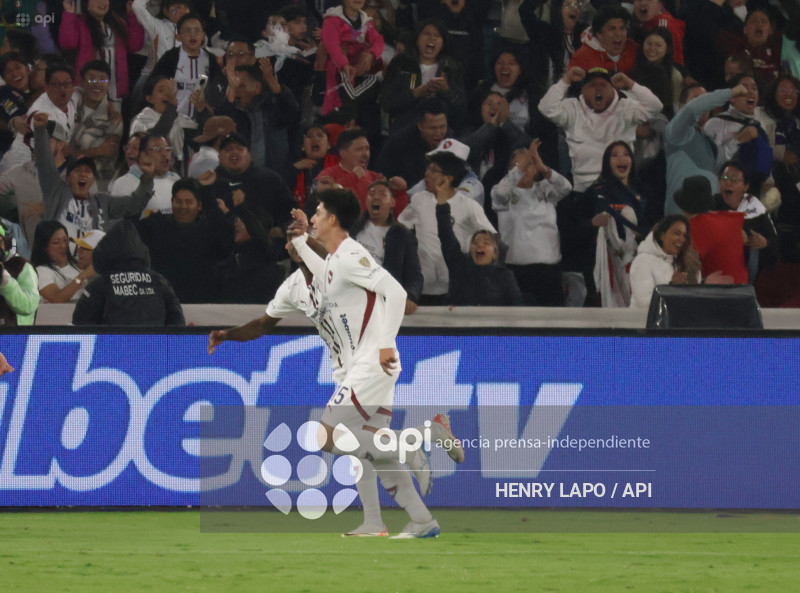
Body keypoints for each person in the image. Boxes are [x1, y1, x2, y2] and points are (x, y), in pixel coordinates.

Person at [289, 188, 463, 537]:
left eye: (319, 212)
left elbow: (396, 292)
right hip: (366, 366)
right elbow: (323, 273)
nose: (315, 217)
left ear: (333, 219)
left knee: (326, 435)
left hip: (372, 363)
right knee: (372, 450)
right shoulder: (337, 261)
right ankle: (419, 520)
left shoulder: (352, 254)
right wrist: (302, 239)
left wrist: (385, 345)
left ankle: (415, 440)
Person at [538, 66, 663, 193]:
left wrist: (630, 84)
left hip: (620, 188)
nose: (598, 88)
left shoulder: (626, 108)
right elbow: (545, 107)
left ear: (612, 89)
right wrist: (566, 80)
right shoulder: (573, 108)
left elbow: (655, 106)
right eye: (592, 85)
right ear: (583, 90)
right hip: (583, 190)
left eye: (603, 85)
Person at [33, 113, 156, 240]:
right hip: (57, 258)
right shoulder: (56, 192)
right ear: (68, 178)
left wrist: (147, 179)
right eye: (77, 170)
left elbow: (135, 203)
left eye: (87, 171)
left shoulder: (103, 202)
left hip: (88, 259)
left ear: (93, 180)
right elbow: (44, 163)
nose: (83, 174)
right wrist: (40, 130)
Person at [398, 151, 496, 303]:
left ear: (448, 178)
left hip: (456, 288)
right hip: (424, 286)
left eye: (433, 170)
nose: (427, 174)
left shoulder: (469, 206)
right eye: (427, 168)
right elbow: (400, 227)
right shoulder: (419, 200)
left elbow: (492, 239)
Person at [491, 140, 572, 306]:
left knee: (552, 328)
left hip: (549, 271)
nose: (524, 169)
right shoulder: (502, 193)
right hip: (515, 272)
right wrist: (523, 165)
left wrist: (545, 169)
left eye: (530, 164)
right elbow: (500, 192)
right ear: (509, 170)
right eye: (518, 166)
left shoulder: (545, 189)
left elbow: (566, 188)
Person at [138, 177, 232, 304]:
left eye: (188, 202)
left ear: (199, 205)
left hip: (204, 304)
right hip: (163, 302)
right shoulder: (155, 224)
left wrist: (209, 194)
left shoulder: (210, 228)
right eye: (178, 201)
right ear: (171, 202)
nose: (183, 206)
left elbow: (227, 239)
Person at [72, 220, 185, 325]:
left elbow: (80, 321)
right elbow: (177, 322)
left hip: (112, 345)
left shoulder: (100, 284)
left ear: (106, 250)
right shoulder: (159, 281)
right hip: (153, 345)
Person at [664, 82, 748, 215]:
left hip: (708, 222)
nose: (704, 104)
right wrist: (730, 93)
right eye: (697, 98)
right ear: (680, 106)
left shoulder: (710, 143)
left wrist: (740, 140)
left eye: (706, 99)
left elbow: (725, 162)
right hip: (681, 223)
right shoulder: (675, 133)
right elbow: (692, 109)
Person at [436, 181, 523, 307]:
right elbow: (446, 237)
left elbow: (517, 307)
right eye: (475, 242)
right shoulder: (460, 268)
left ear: (495, 253)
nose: (480, 245)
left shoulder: (505, 276)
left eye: (486, 242)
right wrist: (442, 206)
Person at [379, 19, 466, 134]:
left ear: (443, 42)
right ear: (417, 39)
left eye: (437, 35)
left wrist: (446, 90)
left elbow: (462, 108)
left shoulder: (452, 67)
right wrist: (417, 93)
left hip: (440, 132)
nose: (431, 38)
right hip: (404, 129)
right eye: (426, 34)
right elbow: (386, 103)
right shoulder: (400, 62)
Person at [352, 179, 422, 313]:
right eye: (371, 193)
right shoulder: (351, 228)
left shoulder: (402, 235)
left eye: (383, 194)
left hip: (382, 305)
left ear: (392, 202)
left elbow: (415, 275)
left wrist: (410, 297)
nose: (376, 197)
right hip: (351, 300)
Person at [58, 0, 145, 103]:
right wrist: (69, 13)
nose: (102, 2)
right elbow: (67, 43)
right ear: (86, 4)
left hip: (114, 91)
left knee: (114, 117)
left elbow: (135, 46)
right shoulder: (79, 22)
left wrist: (132, 15)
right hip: (88, 89)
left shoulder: (119, 23)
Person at [713, 160, 778, 282]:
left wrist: (765, 243)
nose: (728, 184)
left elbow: (774, 241)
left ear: (746, 186)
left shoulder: (754, 207)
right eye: (725, 178)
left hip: (746, 270)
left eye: (734, 180)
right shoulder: (711, 205)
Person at [316, 128, 407, 211]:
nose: (365, 154)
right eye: (359, 149)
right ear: (343, 153)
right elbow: (324, 199)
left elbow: (395, 216)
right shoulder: (327, 175)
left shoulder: (375, 178)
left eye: (367, 149)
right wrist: (353, 177)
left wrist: (400, 193)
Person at [70, 60, 123, 191]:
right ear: (82, 82)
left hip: (95, 183)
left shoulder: (113, 120)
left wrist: (71, 153)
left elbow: (105, 153)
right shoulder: (70, 102)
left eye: (103, 80)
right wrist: (93, 151)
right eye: (92, 79)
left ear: (109, 84)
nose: (98, 84)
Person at [629, 214, 702, 308]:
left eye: (684, 235)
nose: (681, 239)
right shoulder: (642, 261)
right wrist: (672, 287)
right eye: (676, 233)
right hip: (644, 322)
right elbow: (645, 303)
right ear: (662, 236)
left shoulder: (686, 263)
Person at [111, 133, 181, 217]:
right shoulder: (124, 184)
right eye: (157, 149)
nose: (165, 154)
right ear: (143, 155)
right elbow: (119, 225)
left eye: (167, 149)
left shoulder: (176, 179)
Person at [30, 220, 96, 303]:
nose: (63, 246)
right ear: (44, 247)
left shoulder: (77, 264)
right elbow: (57, 299)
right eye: (56, 243)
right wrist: (82, 277)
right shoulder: (41, 271)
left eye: (65, 240)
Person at [568, 5, 639, 75]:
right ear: (598, 34)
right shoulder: (582, 58)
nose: (618, 34)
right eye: (612, 29)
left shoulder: (633, 48)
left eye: (622, 28)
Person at [0, 218, 38, 325]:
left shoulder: (22, 267)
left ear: (7, 243)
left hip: (14, 336)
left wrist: (4, 280)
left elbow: (29, 306)